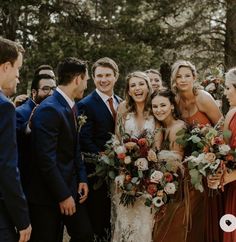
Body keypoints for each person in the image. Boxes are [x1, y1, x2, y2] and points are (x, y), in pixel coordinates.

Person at [28, 57, 93, 242]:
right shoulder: (50, 109)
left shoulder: (71, 106)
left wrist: (81, 178)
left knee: (85, 234)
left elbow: (74, 147)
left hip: (71, 186)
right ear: (78, 79)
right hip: (48, 195)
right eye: (87, 80)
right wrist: (63, 195)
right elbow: (45, 159)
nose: (86, 85)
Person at [171, 60, 223, 242]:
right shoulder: (175, 101)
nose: (183, 80)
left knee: (208, 210)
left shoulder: (203, 97)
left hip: (208, 161)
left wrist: (213, 155)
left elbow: (221, 127)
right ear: (174, 80)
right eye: (179, 76)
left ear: (194, 78)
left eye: (187, 76)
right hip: (188, 165)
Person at [112, 71, 161, 242]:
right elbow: (117, 140)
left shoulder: (156, 109)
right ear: (128, 90)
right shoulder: (123, 108)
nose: (137, 88)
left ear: (148, 87)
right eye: (133, 85)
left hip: (149, 179)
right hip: (125, 174)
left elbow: (159, 146)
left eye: (141, 84)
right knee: (125, 224)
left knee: (146, 224)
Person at [77, 57, 122, 240]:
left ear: (116, 76)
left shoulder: (122, 102)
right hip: (98, 173)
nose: (104, 79)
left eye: (108, 75)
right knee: (100, 221)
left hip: (121, 172)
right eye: (99, 76)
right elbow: (85, 140)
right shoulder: (85, 104)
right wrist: (107, 162)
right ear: (93, 78)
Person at [0, 37, 31, 242]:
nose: (18, 75)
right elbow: (7, 166)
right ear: (6, 66)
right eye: (17, 69)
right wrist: (22, 219)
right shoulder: (4, 107)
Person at [151, 89, 188, 242]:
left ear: (172, 106)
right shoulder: (159, 126)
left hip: (175, 188)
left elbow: (174, 165)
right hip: (161, 184)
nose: (158, 110)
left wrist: (152, 158)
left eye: (163, 105)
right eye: (155, 106)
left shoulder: (178, 127)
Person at [16, 73, 56, 193]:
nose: (51, 93)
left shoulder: (56, 111)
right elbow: (15, 142)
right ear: (34, 92)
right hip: (29, 183)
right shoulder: (19, 112)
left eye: (53, 89)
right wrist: (29, 126)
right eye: (45, 89)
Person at [209, 67, 236, 242]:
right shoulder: (231, 113)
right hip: (231, 186)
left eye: (228, 88)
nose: (225, 93)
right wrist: (216, 174)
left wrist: (226, 178)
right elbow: (223, 150)